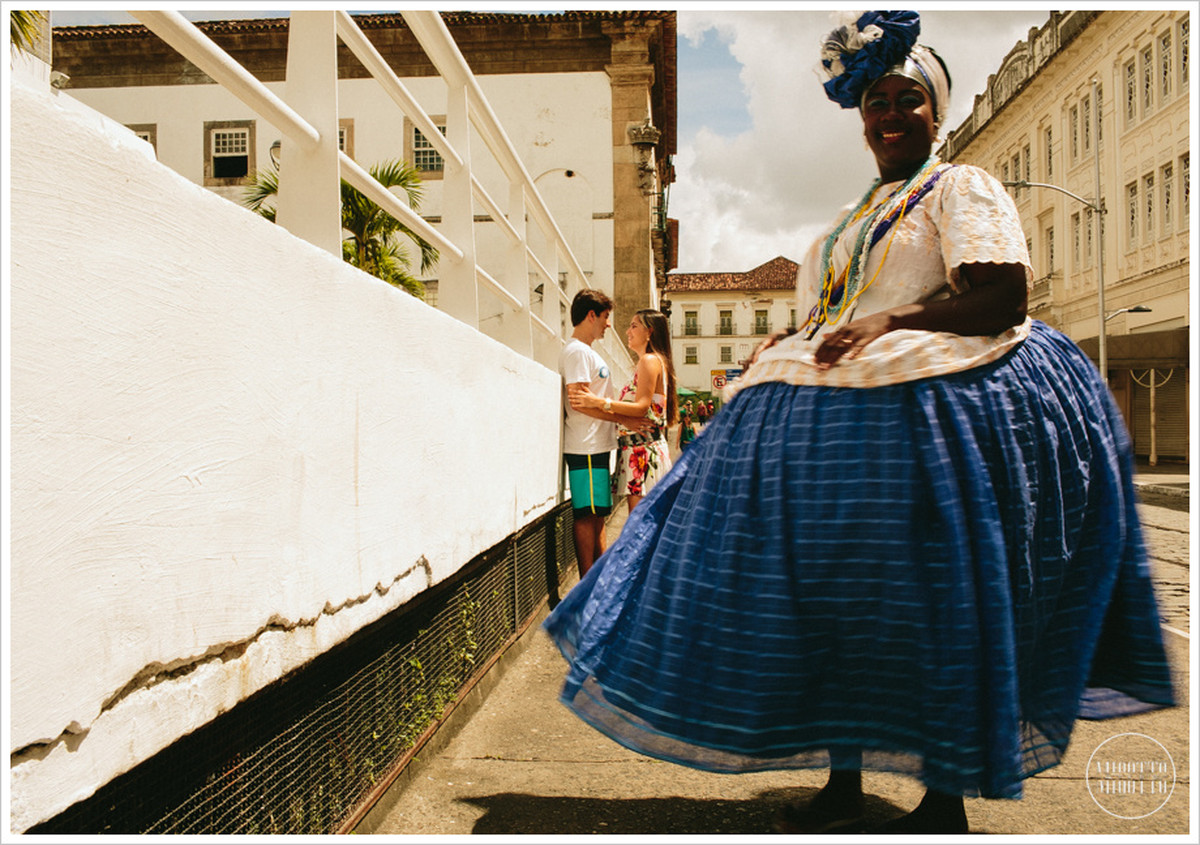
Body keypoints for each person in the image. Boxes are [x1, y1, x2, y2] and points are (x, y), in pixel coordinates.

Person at [545, 10, 1173, 835]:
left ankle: (943, 798)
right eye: (876, 101)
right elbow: (832, 316)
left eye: (907, 99)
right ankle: (842, 779)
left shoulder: (959, 188)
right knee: (835, 608)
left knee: (935, 609)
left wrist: (889, 322)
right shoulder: (848, 221)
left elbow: (1001, 295)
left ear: (935, 112)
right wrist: (786, 341)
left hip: (935, 427)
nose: (889, 115)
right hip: (840, 442)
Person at [569, 309, 679, 513]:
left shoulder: (649, 361)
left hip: (644, 453)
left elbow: (641, 407)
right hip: (638, 451)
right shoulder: (650, 362)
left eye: (634, 326)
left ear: (650, 332)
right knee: (643, 524)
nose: (628, 331)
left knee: (640, 525)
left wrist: (598, 401)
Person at [558, 289, 631, 577]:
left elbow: (591, 400)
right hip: (585, 446)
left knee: (598, 514)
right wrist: (621, 416)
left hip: (596, 445)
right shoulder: (577, 351)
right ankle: (588, 586)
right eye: (605, 317)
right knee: (587, 515)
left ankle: (599, 581)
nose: (608, 324)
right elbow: (579, 401)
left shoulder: (586, 352)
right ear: (591, 315)